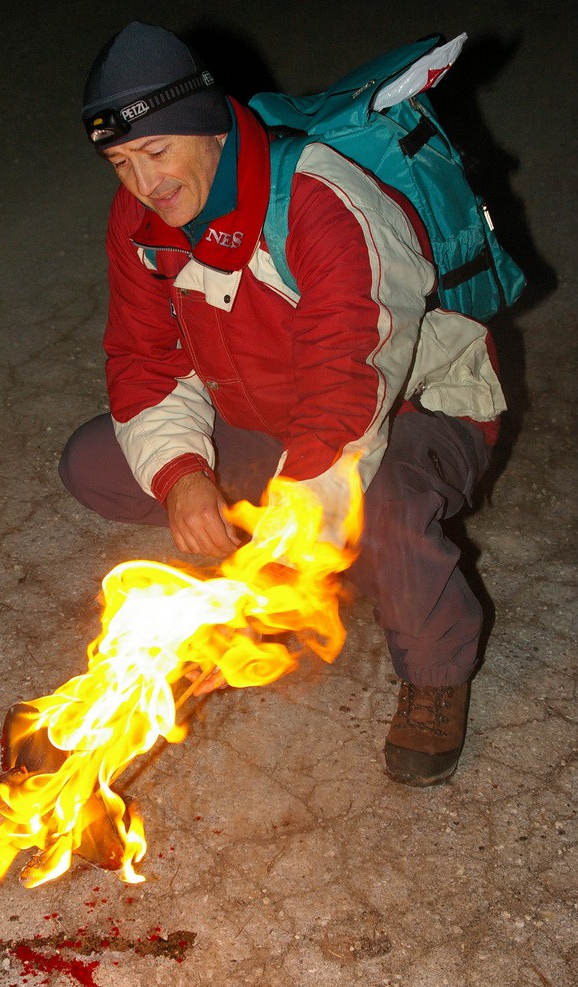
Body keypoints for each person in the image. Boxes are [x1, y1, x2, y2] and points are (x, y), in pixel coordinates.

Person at [60, 21, 507, 787]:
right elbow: (143, 361)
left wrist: (296, 530)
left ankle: (437, 672)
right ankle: (303, 565)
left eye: (158, 151)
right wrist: (183, 475)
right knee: (98, 464)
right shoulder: (140, 221)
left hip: (410, 408)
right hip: (269, 411)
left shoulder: (320, 200)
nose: (144, 183)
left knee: (388, 513)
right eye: (121, 163)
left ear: (206, 123)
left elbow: (350, 383)